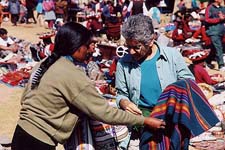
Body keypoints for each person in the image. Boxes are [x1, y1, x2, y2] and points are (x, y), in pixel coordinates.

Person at [11, 22, 165, 150]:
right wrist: (144, 121)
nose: (90, 49)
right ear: (76, 46)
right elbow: (105, 113)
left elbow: (25, 97)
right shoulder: (72, 74)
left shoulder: (44, 63)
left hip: (21, 133)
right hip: (39, 142)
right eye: (87, 45)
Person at [115, 14, 194, 149]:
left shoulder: (172, 56)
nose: (131, 52)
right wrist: (124, 102)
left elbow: (189, 83)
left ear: (151, 41)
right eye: (128, 46)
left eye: (137, 47)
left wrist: (172, 99)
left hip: (170, 120)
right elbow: (121, 93)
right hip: (141, 123)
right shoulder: (123, 63)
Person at [205, 0, 225, 70]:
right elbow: (207, 20)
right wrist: (219, 19)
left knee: (214, 48)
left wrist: (223, 18)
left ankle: (207, 61)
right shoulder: (209, 8)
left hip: (221, 31)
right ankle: (221, 65)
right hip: (213, 31)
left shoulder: (222, 8)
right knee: (219, 48)